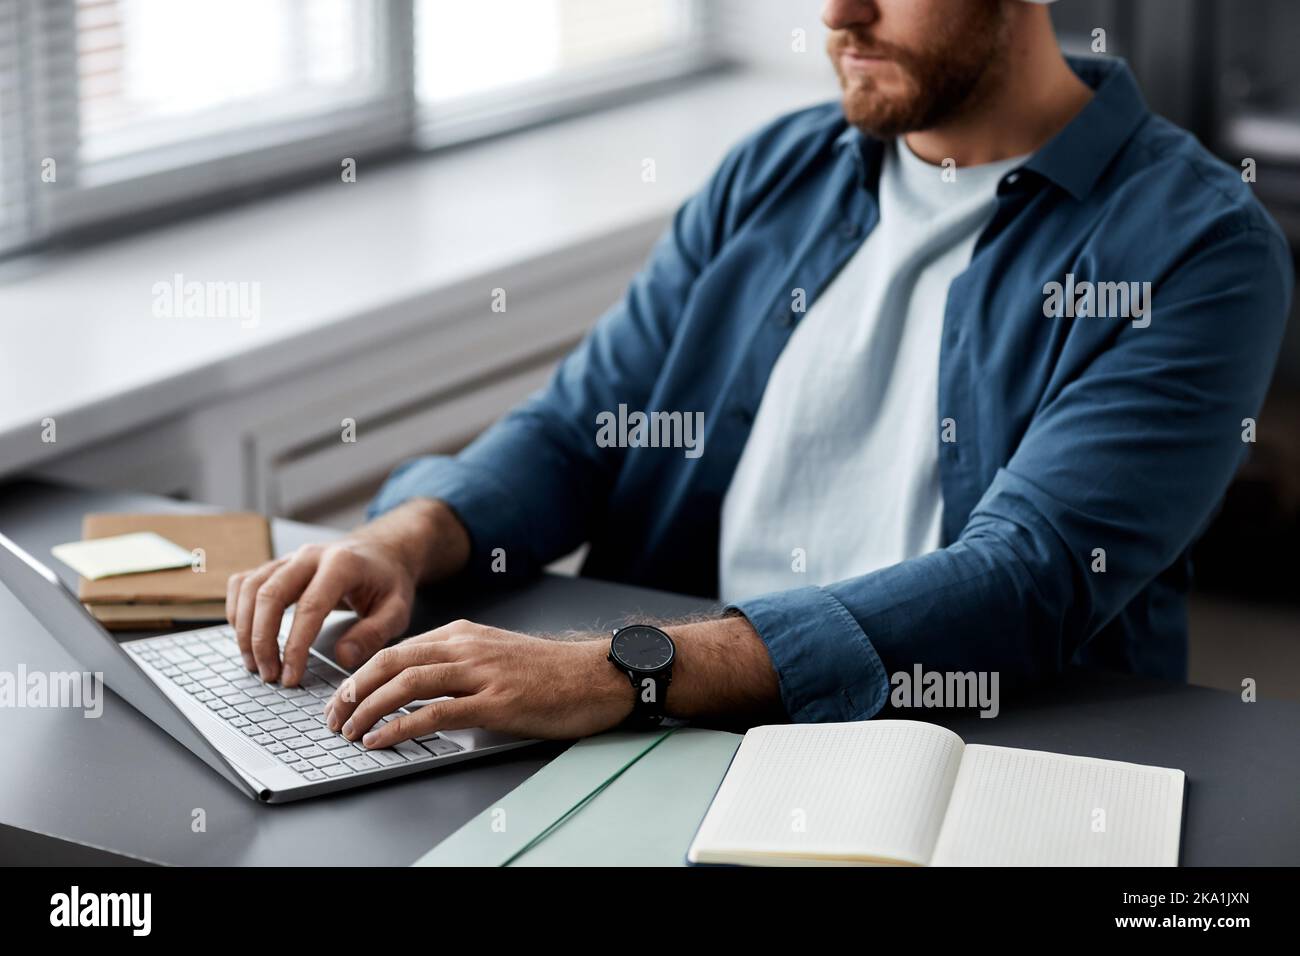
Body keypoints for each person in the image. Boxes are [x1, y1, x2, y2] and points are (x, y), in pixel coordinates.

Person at [225, 0, 1291, 750]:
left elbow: (1030, 576)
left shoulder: (1198, 244)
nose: (839, 14)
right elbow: (582, 428)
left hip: (976, 743)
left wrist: (619, 667)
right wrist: (404, 536)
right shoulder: (773, 170)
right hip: (672, 714)